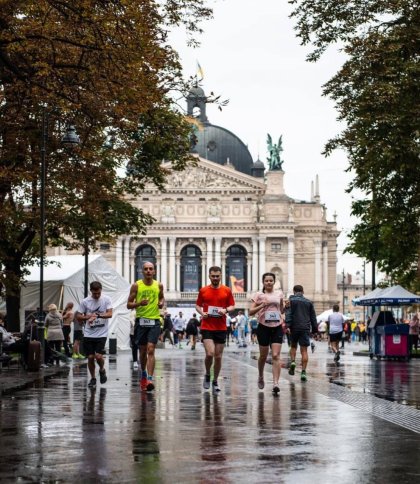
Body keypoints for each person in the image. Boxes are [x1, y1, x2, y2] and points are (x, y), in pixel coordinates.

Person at [195, 266, 235, 394]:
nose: (215, 278)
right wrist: (202, 313)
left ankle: (215, 381)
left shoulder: (226, 290)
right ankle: (207, 374)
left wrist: (226, 310)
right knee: (209, 353)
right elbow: (197, 305)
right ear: (209, 276)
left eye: (218, 276)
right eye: (213, 276)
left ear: (221, 276)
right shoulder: (204, 290)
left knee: (218, 357)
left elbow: (232, 305)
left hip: (221, 327)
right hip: (207, 326)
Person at [127, 261, 164, 392]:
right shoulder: (136, 286)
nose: (148, 271)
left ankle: (149, 378)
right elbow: (128, 305)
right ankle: (143, 373)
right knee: (142, 351)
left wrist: (160, 304)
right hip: (141, 321)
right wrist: (139, 303)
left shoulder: (158, 285)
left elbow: (162, 299)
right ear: (142, 271)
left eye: (151, 269)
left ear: (154, 271)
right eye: (146, 269)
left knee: (151, 349)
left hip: (154, 320)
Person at [249, 272, 284, 395]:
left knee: (275, 355)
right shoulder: (258, 295)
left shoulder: (279, 293)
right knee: (263, 356)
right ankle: (260, 375)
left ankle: (275, 383)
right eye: (266, 281)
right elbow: (250, 312)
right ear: (263, 282)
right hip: (263, 327)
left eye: (271, 280)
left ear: (274, 282)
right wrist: (261, 306)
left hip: (277, 326)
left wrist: (286, 306)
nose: (269, 282)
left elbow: (282, 309)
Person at [76, 281, 113, 388]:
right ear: (91, 291)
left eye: (99, 293)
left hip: (102, 333)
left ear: (101, 290)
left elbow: (110, 314)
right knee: (91, 357)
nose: (97, 295)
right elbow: (78, 316)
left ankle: (102, 369)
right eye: (95, 293)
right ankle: (93, 378)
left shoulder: (106, 299)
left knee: (98, 356)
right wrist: (87, 317)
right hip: (88, 333)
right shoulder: (85, 301)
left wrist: (98, 316)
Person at [285, 284, 317, 382]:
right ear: (303, 292)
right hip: (305, 328)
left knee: (293, 346)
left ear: (294, 291)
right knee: (304, 351)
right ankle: (303, 372)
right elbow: (313, 317)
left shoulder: (290, 301)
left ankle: (293, 362)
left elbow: (288, 314)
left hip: (294, 327)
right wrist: (315, 330)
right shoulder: (309, 302)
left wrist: (288, 326)